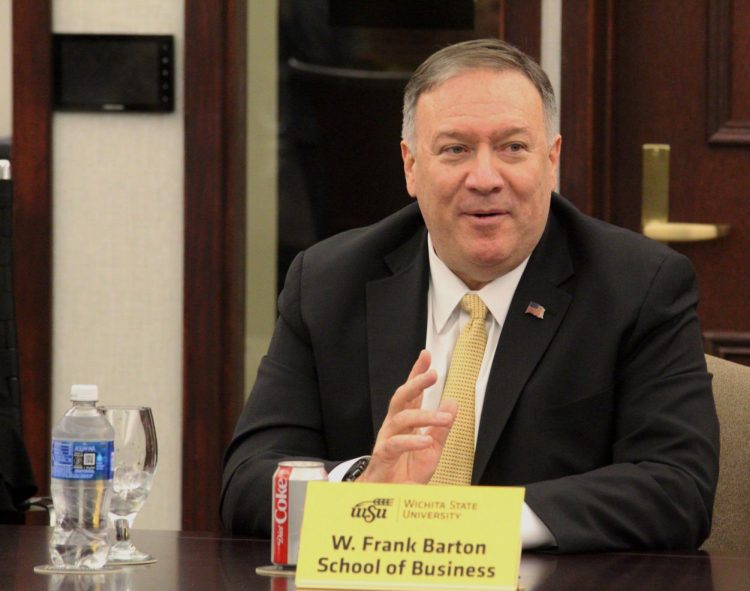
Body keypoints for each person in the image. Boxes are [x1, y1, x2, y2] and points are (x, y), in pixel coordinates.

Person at [221, 39, 719, 553]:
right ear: (411, 167)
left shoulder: (639, 286)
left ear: (552, 161)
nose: (485, 179)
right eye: (455, 149)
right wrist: (361, 488)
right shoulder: (329, 281)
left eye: (513, 148)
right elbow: (249, 479)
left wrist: (472, 528)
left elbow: (676, 486)